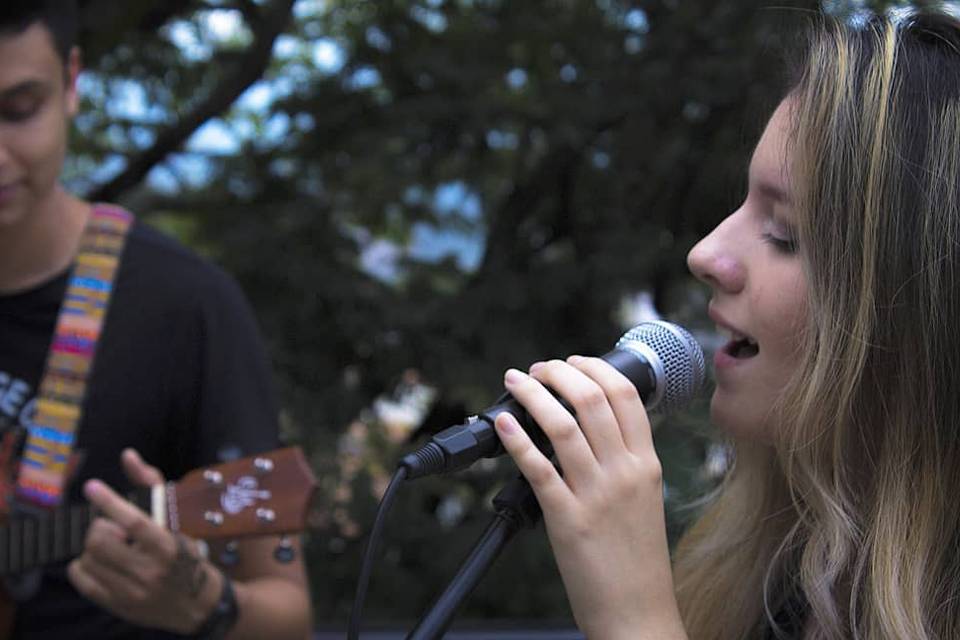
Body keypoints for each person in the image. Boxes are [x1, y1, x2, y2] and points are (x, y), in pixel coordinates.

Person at [493, 7, 960, 639]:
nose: (705, 254)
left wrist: (634, 621)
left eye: (784, 234)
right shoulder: (772, 578)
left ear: (917, 315)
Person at [0, 2, 312, 638]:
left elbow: (289, 614)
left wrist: (207, 605)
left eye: (18, 108)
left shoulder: (185, 306)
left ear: (72, 82)